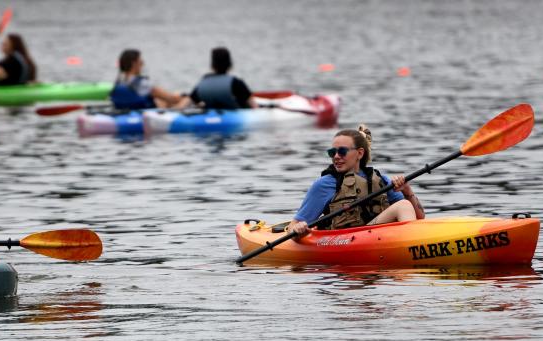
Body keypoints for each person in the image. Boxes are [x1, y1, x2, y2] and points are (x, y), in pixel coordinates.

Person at [286, 125, 425, 237]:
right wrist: (298, 228)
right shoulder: (324, 184)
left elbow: (420, 217)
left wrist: (407, 190)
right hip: (345, 240)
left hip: (377, 235)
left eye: (342, 151)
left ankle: (412, 243)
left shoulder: (380, 180)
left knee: (404, 205)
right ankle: (413, 242)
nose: (336, 157)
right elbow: (294, 226)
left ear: (360, 153)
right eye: (332, 152)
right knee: (403, 206)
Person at [175, 47, 257, 110]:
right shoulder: (236, 83)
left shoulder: (203, 83)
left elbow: (184, 104)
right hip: (233, 117)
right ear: (230, 65)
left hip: (209, 115)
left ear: (212, 66)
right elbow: (254, 106)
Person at [109, 49, 184, 110]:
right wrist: (186, 97)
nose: (143, 64)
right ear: (134, 63)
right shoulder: (143, 84)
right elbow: (171, 98)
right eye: (140, 61)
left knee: (160, 100)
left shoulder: (119, 82)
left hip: (127, 110)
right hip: (145, 115)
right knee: (183, 97)